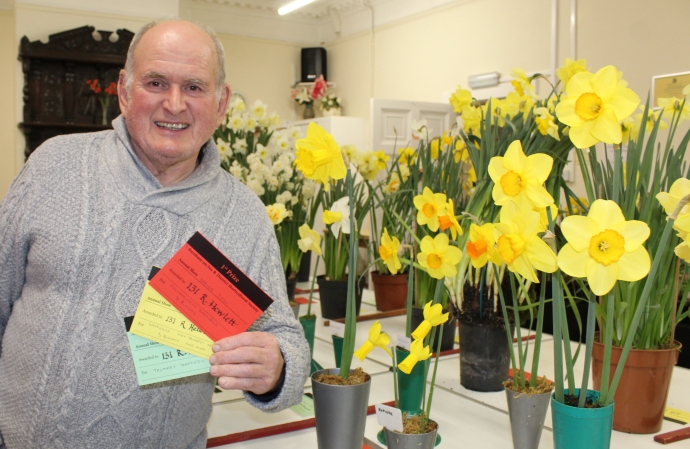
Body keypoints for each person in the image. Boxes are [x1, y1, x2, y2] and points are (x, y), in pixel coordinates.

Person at [0, 20, 310, 449]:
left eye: (195, 87)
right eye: (156, 82)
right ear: (124, 90)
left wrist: (276, 368)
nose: (175, 104)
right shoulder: (53, 167)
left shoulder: (244, 217)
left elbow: (287, 340)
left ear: (221, 104)